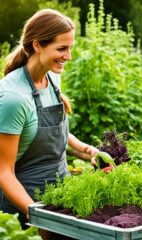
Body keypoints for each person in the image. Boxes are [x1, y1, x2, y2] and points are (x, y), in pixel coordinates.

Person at [0, 9, 98, 229]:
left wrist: (88, 150)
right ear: (37, 45)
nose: (69, 56)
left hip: (60, 198)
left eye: (70, 48)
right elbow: (3, 173)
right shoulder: (13, 98)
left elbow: (51, 131)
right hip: (24, 208)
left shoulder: (52, 78)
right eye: (61, 48)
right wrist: (40, 216)